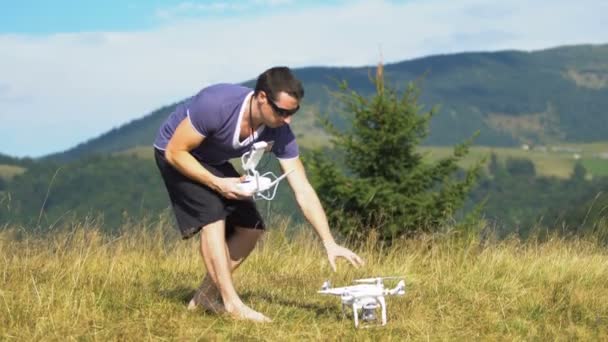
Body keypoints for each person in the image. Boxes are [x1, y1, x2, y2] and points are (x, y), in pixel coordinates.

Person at [153, 66, 365, 323]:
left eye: (293, 112)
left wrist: (329, 242)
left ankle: (205, 296)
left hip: (210, 158)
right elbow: (175, 152)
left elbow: (302, 188)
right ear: (262, 98)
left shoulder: (280, 131)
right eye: (282, 112)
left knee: (250, 228)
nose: (287, 120)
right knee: (213, 217)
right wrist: (219, 184)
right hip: (176, 153)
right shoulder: (217, 104)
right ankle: (232, 304)